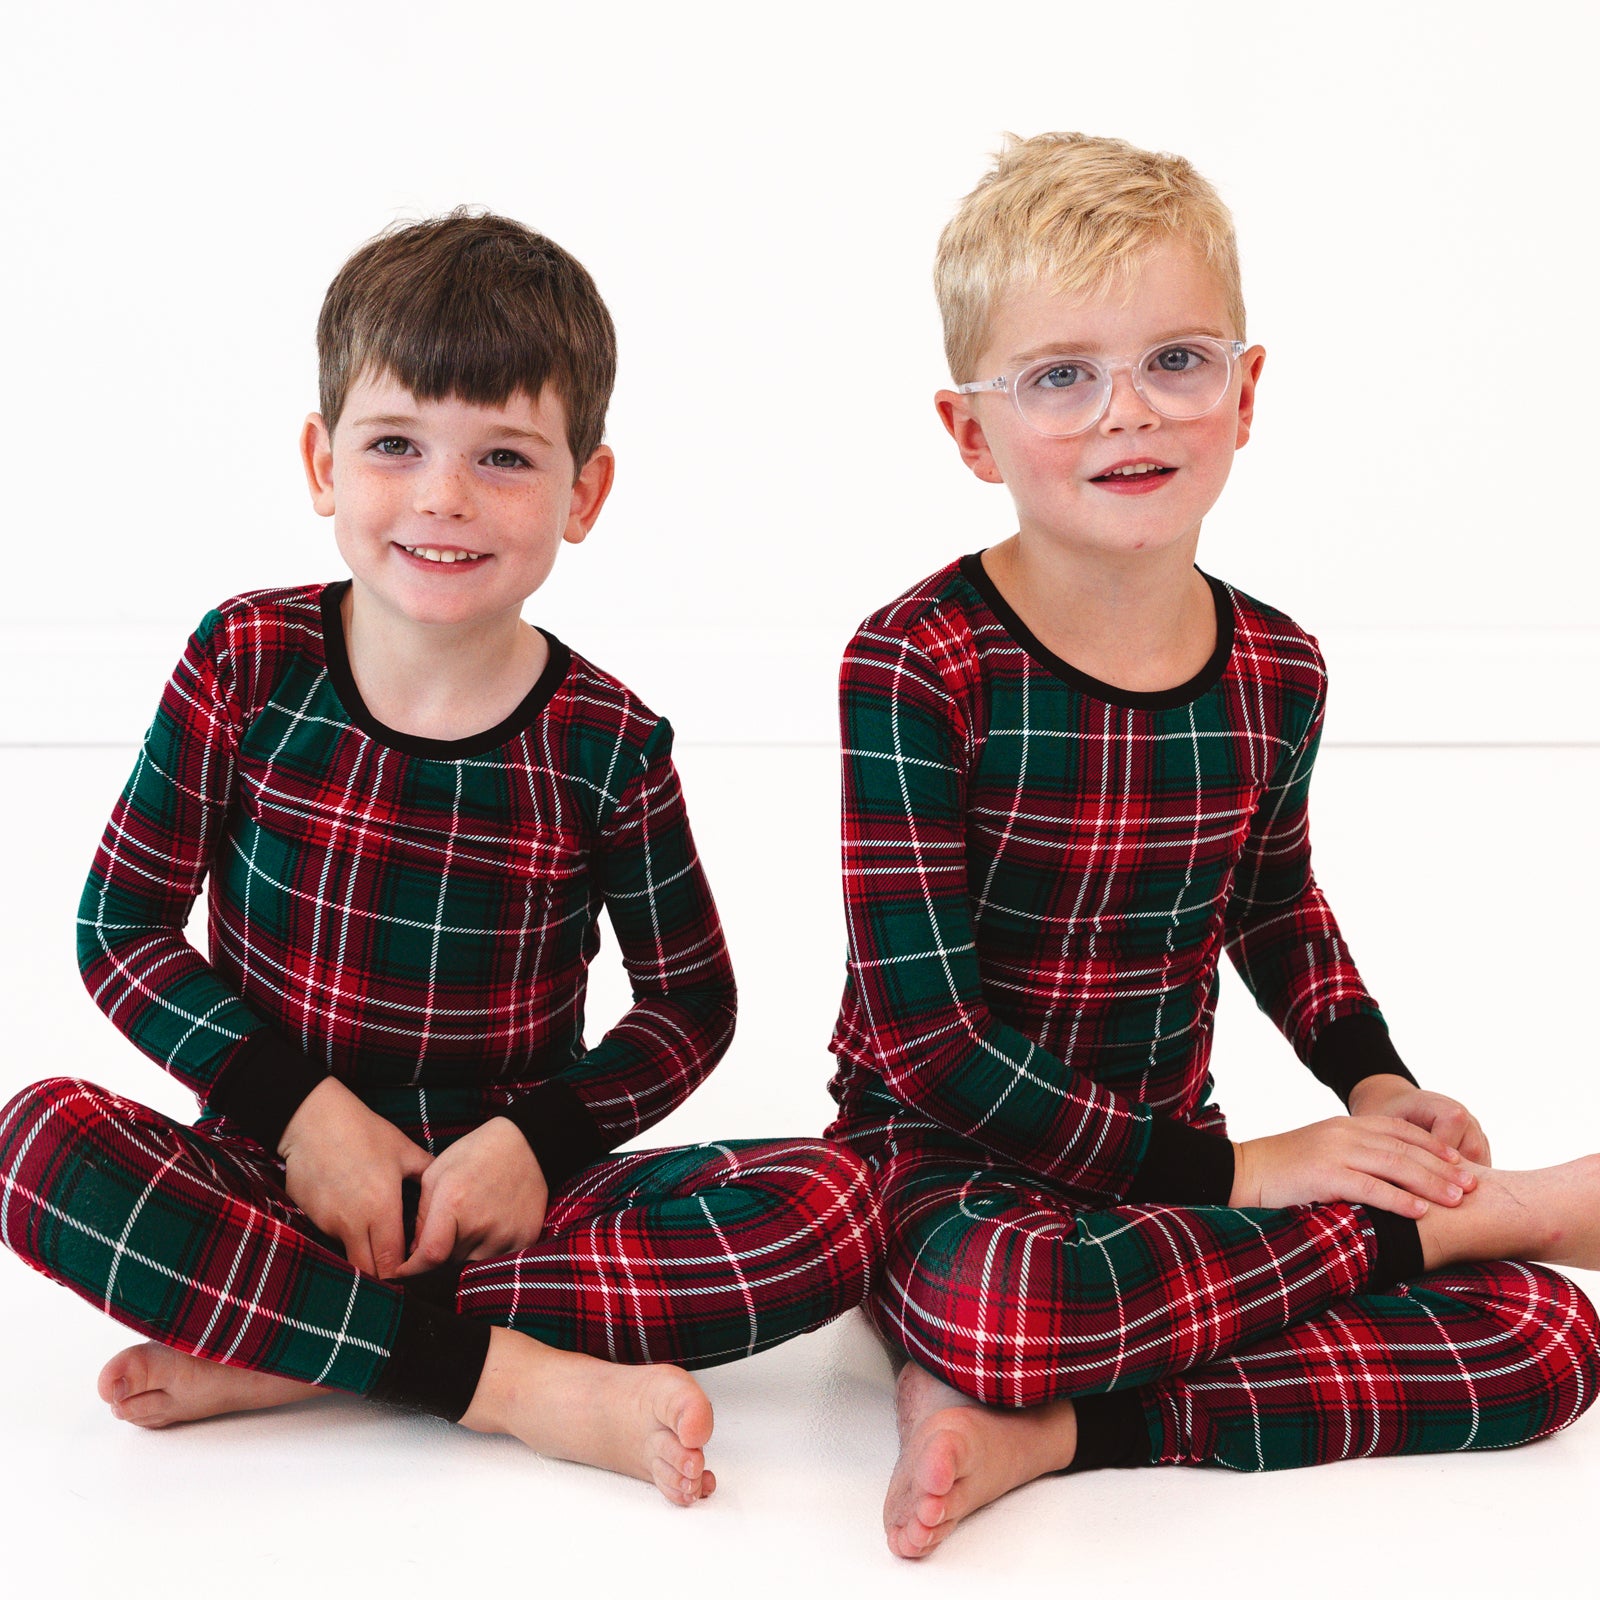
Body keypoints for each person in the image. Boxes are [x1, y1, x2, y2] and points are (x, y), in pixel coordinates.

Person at [0, 209, 879, 1506]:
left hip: (507, 1205)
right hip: (274, 1176)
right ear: (321, 459)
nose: (442, 498)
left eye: (506, 458)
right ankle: (509, 1381)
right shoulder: (245, 665)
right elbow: (120, 931)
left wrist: (536, 1142)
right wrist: (302, 1117)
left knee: (839, 1204)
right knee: (35, 1144)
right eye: (395, 445)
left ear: (586, 492)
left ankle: (306, 1347)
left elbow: (692, 1007)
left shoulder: (608, 743)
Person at [826, 132, 1600, 1558]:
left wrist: (1374, 1086)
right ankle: (1479, 1221)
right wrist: (1255, 1174)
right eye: (1060, 376)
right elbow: (927, 1040)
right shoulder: (916, 664)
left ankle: (1059, 1432)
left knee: (1552, 1343)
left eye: (1177, 361)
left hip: (1170, 1187)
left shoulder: (1277, 667)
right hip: (953, 1170)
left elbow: (1280, 915)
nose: (1130, 412)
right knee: (1012, 1308)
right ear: (970, 431)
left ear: (1245, 395)